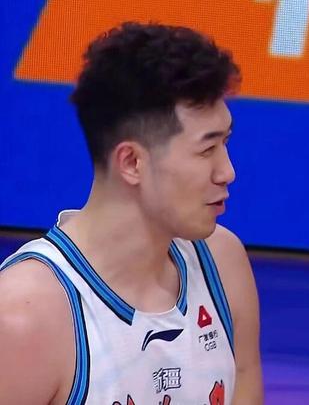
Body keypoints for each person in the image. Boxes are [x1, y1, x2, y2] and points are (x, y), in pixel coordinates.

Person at [0, 22, 262, 404]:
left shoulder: (223, 265)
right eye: (207, 150)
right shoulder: (23, 317)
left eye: (226, 143)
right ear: (132, 162)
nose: (227, 172)